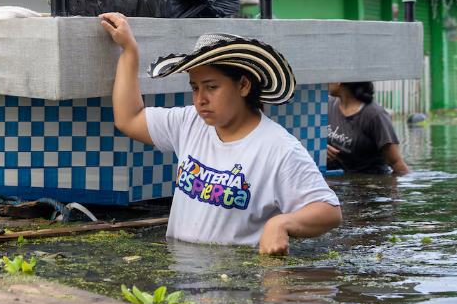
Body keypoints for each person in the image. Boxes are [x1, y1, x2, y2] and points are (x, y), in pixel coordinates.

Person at [100, 13, 342, 255]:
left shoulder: (278, 148)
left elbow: (329, 210)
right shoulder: (189, 123)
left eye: (211, 87)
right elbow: (129, 119)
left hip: (239, 283)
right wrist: (129, 50)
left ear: (243, 86)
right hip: (183, 278)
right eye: (195, 88)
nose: (200, 99)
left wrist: (281, 223)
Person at [327, 82, 409, 174]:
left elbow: (395, 162)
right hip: (337, 180)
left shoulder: (375, 115)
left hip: (368, 182)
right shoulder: (327, 106)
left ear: (339, 82)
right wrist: (321, 149)